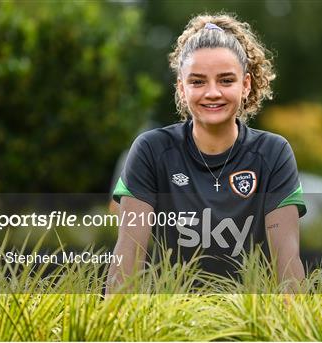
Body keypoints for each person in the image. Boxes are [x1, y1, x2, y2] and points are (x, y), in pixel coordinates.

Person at [107, 13, 306, 293]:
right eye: (198, 82)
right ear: (181, 87)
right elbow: (128, 257)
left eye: (226, 80)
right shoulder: (151, 150)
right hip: (171, 325)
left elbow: (287, 265)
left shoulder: (273, 153)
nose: (212, 92)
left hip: (250, 326)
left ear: (245, 84)